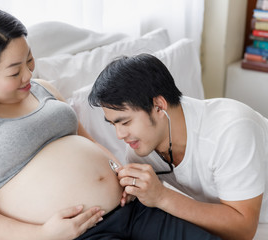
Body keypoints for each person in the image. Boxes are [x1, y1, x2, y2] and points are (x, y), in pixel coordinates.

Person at [0, 7, 220, 240]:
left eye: (29, 61)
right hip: (79, 234)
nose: (28, 76)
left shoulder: (43, 90)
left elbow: (86, 142)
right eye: (14, 71)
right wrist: (41, 234)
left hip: (134, 209)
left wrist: (121, 175)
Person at [88, 53, 268, 240]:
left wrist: (162, 197)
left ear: (158, 106)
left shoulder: (231, 130)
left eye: (125, 122)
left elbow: (243, 230)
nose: (119, 135)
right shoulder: (141, 151)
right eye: (113, 125)